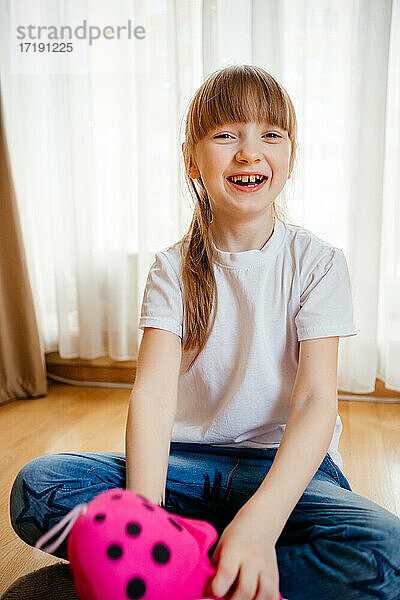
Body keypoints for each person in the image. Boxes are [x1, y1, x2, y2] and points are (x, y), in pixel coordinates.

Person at [9, 65, 400, 600]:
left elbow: (315, 401)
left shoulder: (319, 262)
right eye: (225, 135)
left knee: (388, 553)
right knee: (40, 488)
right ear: (192, 159)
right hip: (184, 471)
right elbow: (152, 396)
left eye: (270, 135)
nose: (248, 152)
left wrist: (259, 524)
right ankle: (213, 567)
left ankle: (191, 570)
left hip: (289, 474)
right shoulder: (171, 269)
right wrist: (144, 522)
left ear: (290, 158)